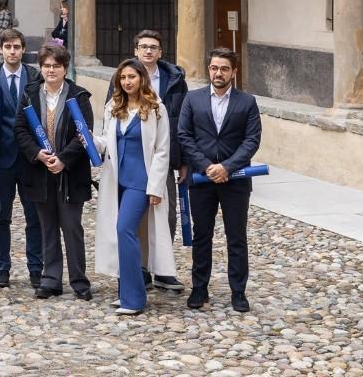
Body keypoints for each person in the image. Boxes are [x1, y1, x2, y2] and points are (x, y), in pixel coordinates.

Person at [178, 48, 262, 313]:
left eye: (224, 69)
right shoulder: (193, 99)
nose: (218, 73)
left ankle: (238, 291)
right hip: (201, 179)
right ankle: (199, 288)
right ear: (209, 69)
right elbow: (184, 136)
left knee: (236, 237)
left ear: (233, 72)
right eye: (214, 68)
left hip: (235, 180)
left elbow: (252, 140)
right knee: (202, 235)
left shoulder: (247, 102)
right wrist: (206, 166)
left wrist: (227, 167)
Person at [95, 59, 175, 316]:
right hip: (116, 179)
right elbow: (107, 142)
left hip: (141, 181)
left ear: (142, 78)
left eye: (132, 76)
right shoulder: (113, 107)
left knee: (125, 229)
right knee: (118, 233)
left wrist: (156, 187)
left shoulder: (156, 108)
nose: (127, 81)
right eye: (123, 78)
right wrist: (89, 140)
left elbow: (162, 150)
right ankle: (125, 292)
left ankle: (134, 298)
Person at [14, 44, 93, 301]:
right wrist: (37, 153)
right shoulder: (29, 95)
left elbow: (84, 133)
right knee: (47, 227)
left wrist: (64, 159)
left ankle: (79, 280)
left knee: (72, 228)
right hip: (40, 171)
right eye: (46, 66)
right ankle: (51, 279)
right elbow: (20, 129)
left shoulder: (79, 96)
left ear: (65, 69)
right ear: (40, 68)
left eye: (56, 66)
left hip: (70, 173)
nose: (51, 70)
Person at [123, 29, 188, 292]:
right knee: (136, 217)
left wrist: (183, 160)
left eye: (153, 47)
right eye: (143, 47)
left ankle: (162, 269)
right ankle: (140, 268)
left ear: (160, 52)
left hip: (165, 157)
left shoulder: (175, 80)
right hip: (133, 160)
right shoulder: (125, 77)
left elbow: (183, 121)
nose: (148, 51)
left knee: (166, 214)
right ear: (136, 51)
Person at [0, 28, 42, 290]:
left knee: (34, 217)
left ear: (23, 49)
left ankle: (36, 268)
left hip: (31, 158)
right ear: (1, 50)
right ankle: (2, 268)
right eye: (8, 47)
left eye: (17, 47)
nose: (12, 51)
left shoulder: (35, 77)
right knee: (0, 217)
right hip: (1, 157)